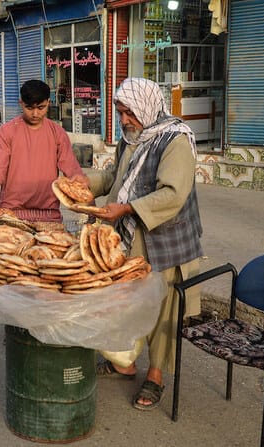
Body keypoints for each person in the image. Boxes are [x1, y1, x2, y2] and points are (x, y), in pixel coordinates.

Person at [85, 77, 203, 411]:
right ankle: (125, 362)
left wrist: (125, 208)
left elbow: (173, 194)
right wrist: (85, 182)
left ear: (146, 107)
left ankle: (155, 376)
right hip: (134, 236)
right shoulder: (132, 138)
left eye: (128, 112)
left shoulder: (174, 140)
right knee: (129, 302)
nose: (123, 120)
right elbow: (115, 179)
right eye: (120, 112)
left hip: (168, 240)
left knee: (164, 309)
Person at [0, 79, 88, 224]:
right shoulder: (6, 131)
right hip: (11, 214)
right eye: (29, 108)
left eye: (41, 107)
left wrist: (90, 206)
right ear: (21, 103)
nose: (35, 113)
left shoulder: (57, 133)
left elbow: (72, 170)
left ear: (49, 103)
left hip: (49, 216)